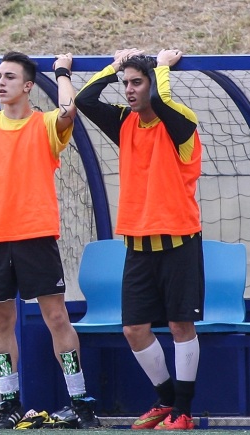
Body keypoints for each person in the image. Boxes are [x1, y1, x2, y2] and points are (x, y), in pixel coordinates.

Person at [0, 51, 100, 430]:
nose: (1, 82)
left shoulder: (45, 125)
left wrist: (61, 73)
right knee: (2, 319)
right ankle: (9, 403)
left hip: (35, 235)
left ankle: (79, 401)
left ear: (28, 86)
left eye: (10, 76)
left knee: (56, 317)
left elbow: (68, 109)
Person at [75, 49, 203, 430]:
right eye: (125, 83)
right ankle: (166, 401)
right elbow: (84, 100)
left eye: (137, 82)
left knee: (181, 326)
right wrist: (114, 66)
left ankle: (184, 411)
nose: (129, 90)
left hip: (179, 242)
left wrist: (161, 66)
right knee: (134, 328)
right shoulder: (125, 123)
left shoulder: (181, 123)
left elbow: (163, 101)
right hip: (138, 245)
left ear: (152, 84)